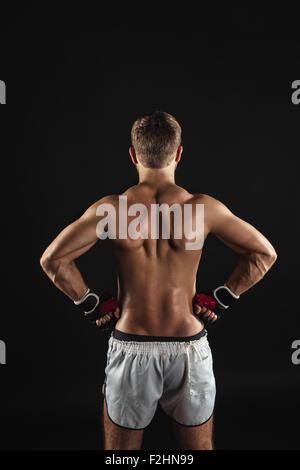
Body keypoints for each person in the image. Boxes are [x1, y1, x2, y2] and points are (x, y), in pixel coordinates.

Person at [40, 111, 277, 450]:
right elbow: (264, 254)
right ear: (179, 153)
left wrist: (92, 303)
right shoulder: (203, 209)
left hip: (131, 343)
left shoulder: (113, 209)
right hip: (189, 349)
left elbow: (53, 260)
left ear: (133, 155)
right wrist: (222, 297)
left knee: (122, 458)